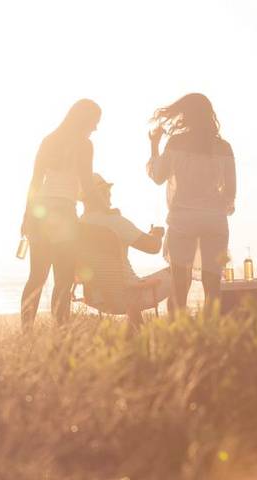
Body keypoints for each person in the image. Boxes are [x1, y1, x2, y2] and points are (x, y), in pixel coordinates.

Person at [146, 93, 236, 313]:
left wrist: (154, 145)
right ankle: (211, 329)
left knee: (180, 282)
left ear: (186, 116)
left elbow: (158, 177)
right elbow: (231, 191)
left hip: (182, 219)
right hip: (214, 219)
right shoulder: (224, 147)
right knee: (213, 282)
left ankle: (179, 328)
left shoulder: (176, 143)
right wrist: (218, 207)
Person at [19, 99, 101, 328]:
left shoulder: (50, 140)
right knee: (63, 279)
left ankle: (26, 331)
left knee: (36, 277)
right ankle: (61, 331)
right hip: (64, 213)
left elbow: (35, 181)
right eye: (95, 122)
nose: (95, 127)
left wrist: (26, 215)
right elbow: (87, 183)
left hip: (41, 212)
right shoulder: (84, 145)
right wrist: (103, 209)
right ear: (85, 120)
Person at [79, 174, 170, 328]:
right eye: (106, 193)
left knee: (126, 281)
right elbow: (153, 247)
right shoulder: (114, 222)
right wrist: (156, 234)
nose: (109, 197)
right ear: (97, 196)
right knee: (182, 272)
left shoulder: (78, 225)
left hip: (96, 298)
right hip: (127, 296)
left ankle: (135, 331)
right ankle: (177, 327)